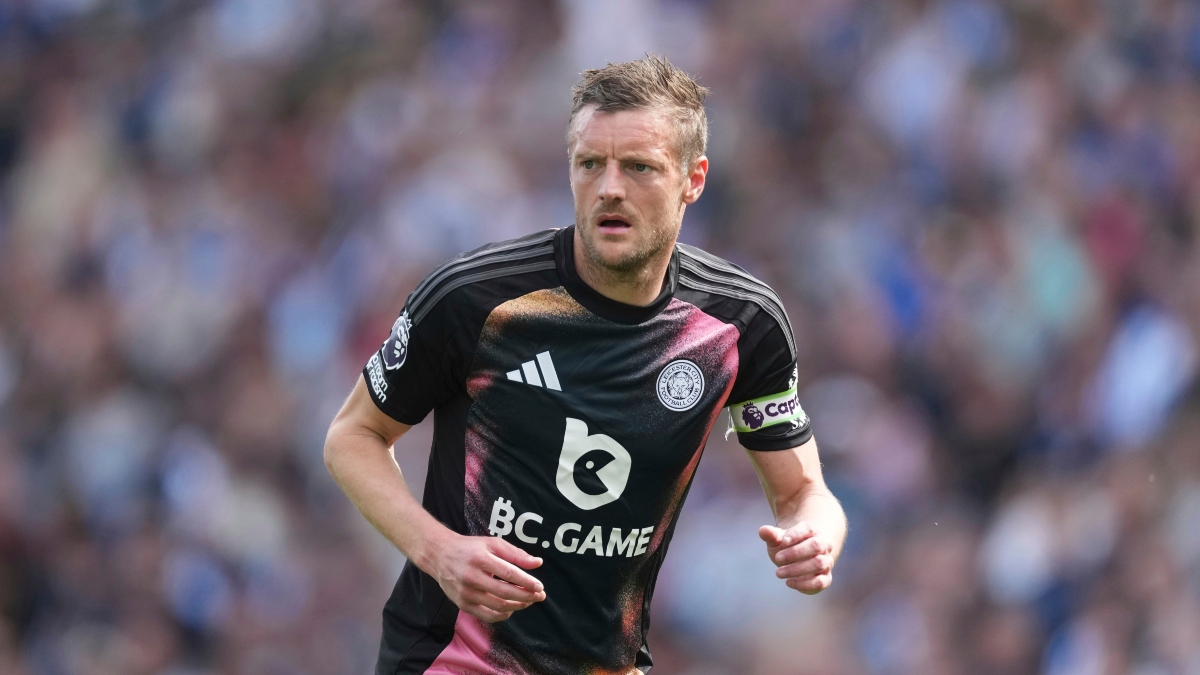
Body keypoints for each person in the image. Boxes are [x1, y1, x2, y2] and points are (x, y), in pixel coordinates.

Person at [324, 55, 848, 675]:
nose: (609, 188)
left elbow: (803, 492)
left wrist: (816, 536)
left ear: (693, 178)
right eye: (590, 164)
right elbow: (353, 436)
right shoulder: (476, 299)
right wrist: (438, 552)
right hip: (452, 659)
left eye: (639, 167)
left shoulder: (740, 325)